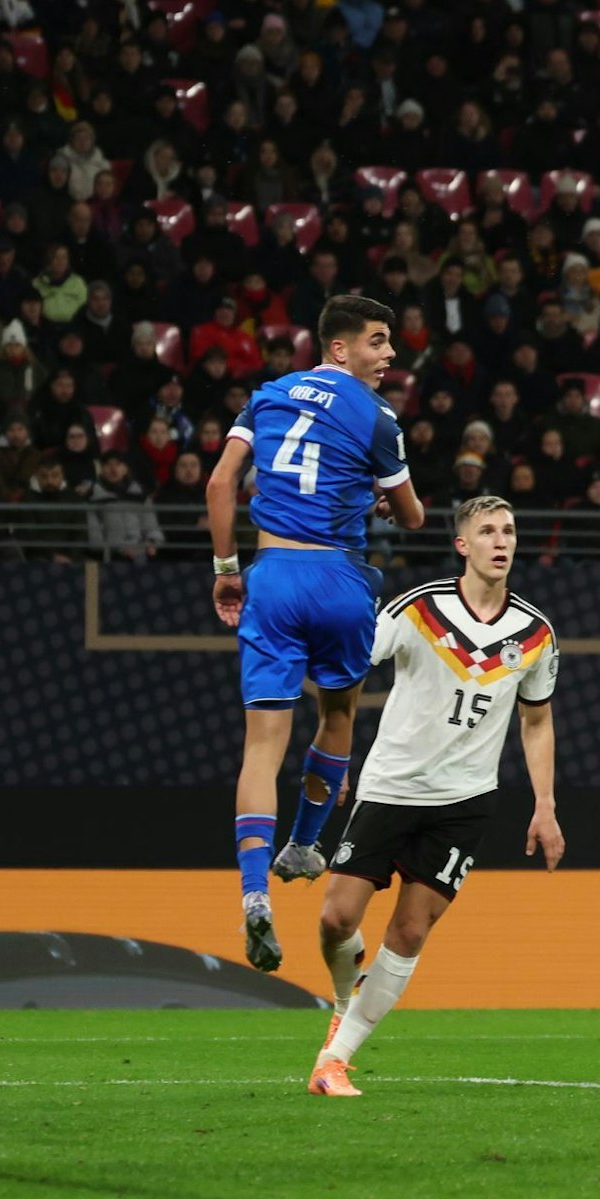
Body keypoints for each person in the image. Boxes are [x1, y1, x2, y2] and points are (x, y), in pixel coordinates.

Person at [307, 497, 564, 1096]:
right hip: (391, 787)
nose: (501, 541)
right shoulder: (418, 609)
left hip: (465, 800)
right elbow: (346, 672)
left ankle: (334, 1060)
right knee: (335, 919)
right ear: (462, 545)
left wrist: (545, 805)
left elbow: (537, 721)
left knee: (410, 931)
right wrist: (332, 756)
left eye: (509, 530)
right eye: (487, 531)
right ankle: (346, 999)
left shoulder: (535, 633)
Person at [208, 296, 426, 972]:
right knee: (338, 714)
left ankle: (252, 897)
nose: (389, 355)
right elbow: (415, 516)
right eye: (378, 342)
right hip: (340, 580)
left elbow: (220, 484)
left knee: (260, 748)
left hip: (271, 576)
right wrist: (383, 497)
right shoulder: (378, 416)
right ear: (339, 349)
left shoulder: (266, 396)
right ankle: (304, 843)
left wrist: (225, 570)